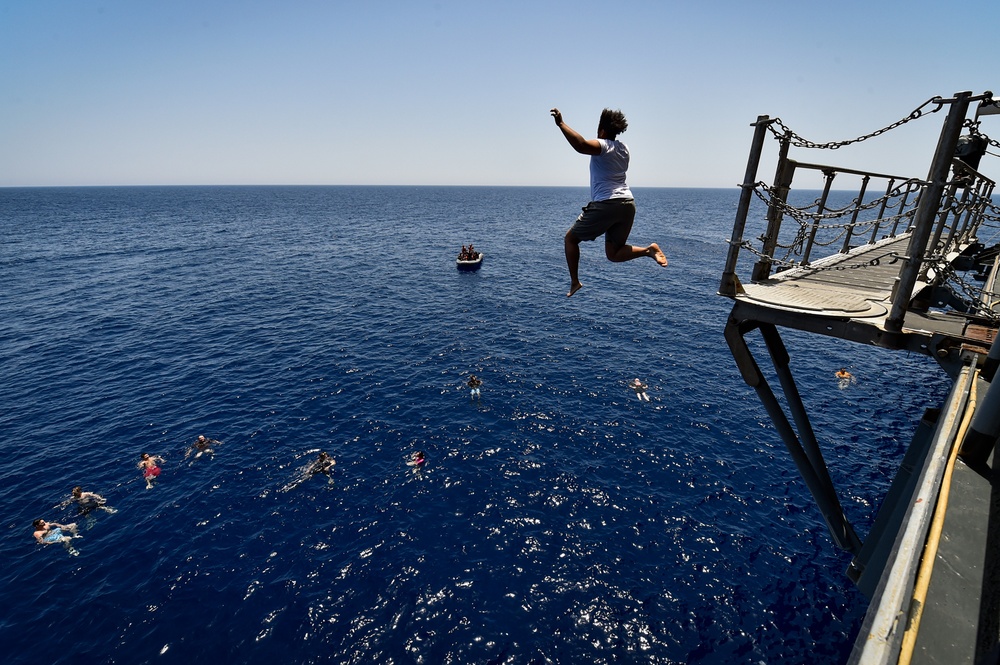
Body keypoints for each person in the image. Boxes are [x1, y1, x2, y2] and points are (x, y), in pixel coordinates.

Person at [550, 107, 668, 297]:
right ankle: (648, 250)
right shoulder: (625, 149)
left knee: (570, 239)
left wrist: (561, 124)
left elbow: (580, 145)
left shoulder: (603, 146)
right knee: (613, 253)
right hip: (627, 205)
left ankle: (574, 282)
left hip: (607, 204)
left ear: (602, 131)